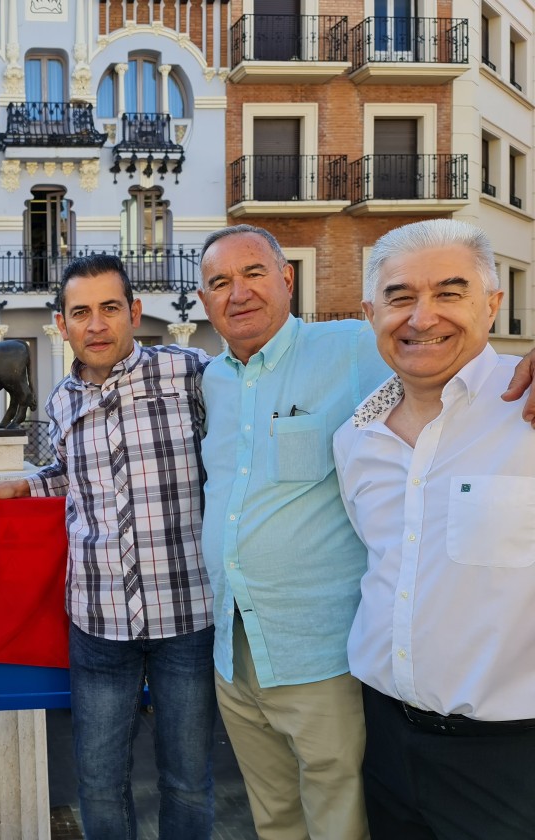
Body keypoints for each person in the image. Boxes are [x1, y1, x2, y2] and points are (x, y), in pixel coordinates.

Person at [0, 254, 216, 839]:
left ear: (134, 311)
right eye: (81, 312)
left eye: (109, 308)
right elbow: (70, 474)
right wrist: (25, 483)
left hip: (188, 613)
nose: (96, 324)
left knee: (187, 781)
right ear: (62, 324)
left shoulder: (191, 372)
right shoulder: (61, 403)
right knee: (99, 787)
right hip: (98, 620)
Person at [334, 219, 535, 840]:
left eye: (450, 293)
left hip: (510, 758)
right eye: (400, 297)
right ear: (371, 313)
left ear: (492, 304)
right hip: (387, 741)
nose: (423, 317)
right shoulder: (355, 439)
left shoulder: (525, 411)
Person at [196, 224, 386, 840]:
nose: (238, 292)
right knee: (273, 818)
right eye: (219, 282)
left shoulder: (354, 350)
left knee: (339, 818)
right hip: (234, 647)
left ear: (287, 278)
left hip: (319, 649)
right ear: (204, 301)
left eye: (253, 273)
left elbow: (445, 353)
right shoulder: (212, 380)